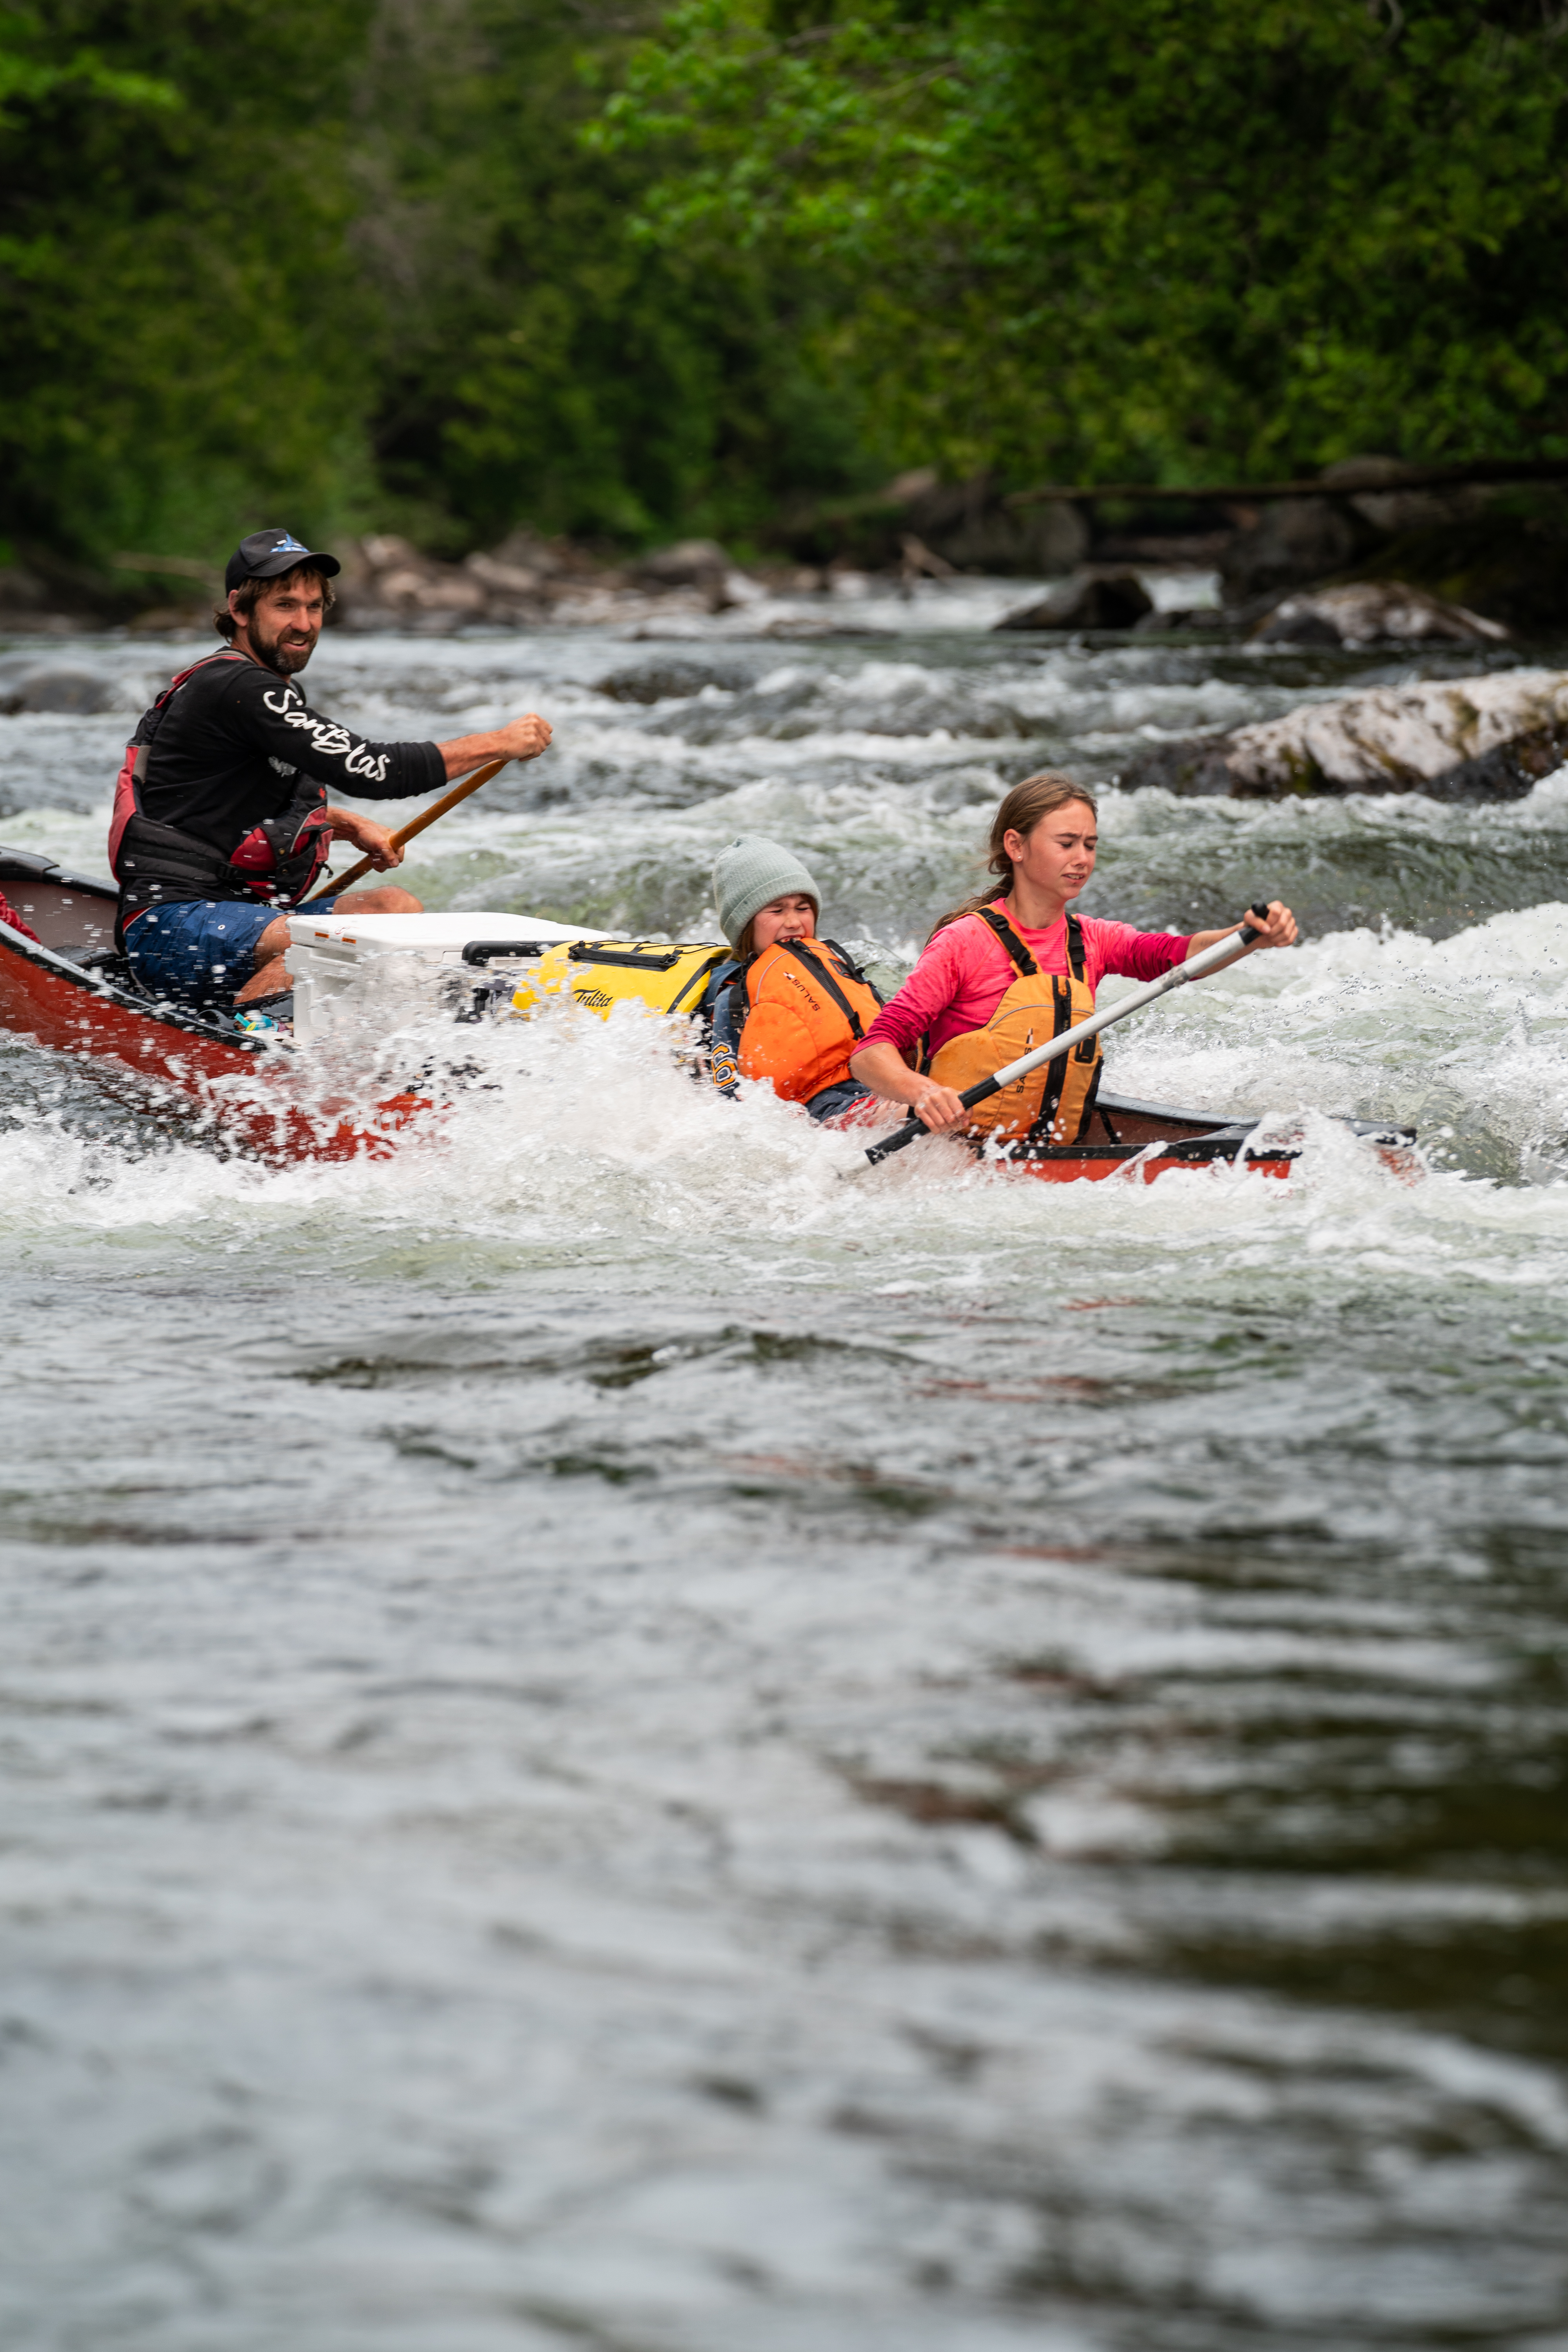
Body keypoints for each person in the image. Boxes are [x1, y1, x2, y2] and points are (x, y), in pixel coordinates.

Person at [110, 528, 553, 1009]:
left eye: (314, 606)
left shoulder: (258, 691)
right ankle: (250, 1047)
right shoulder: (237, 687)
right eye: (284, 606)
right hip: (172, 926)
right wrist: (497, 743)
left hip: (242, 921)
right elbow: (371, 770)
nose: (303, 623)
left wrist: (343, 823)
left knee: (395, 908)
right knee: (327, 947)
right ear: (238, 609)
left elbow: (216, 806)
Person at [848, 773, 1298, 1140]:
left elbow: (1177, 956)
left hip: (1045, 1135)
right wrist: (924, 1093)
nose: (1082, 858)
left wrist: (1249, 936)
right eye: (1066, 843)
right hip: (954, 1141)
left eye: (1091, 844)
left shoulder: (1091, 939)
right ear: (1016, 846)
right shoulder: (963, 942)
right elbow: (871, 1054)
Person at [702, 836, 885, 1120]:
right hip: (821, 1109)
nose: (794, 922)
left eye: (803, 908)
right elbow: (729, 1097)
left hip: (878, 1085)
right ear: (744, 926)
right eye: (777, 910)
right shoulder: (736, 998)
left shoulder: (838, 968)